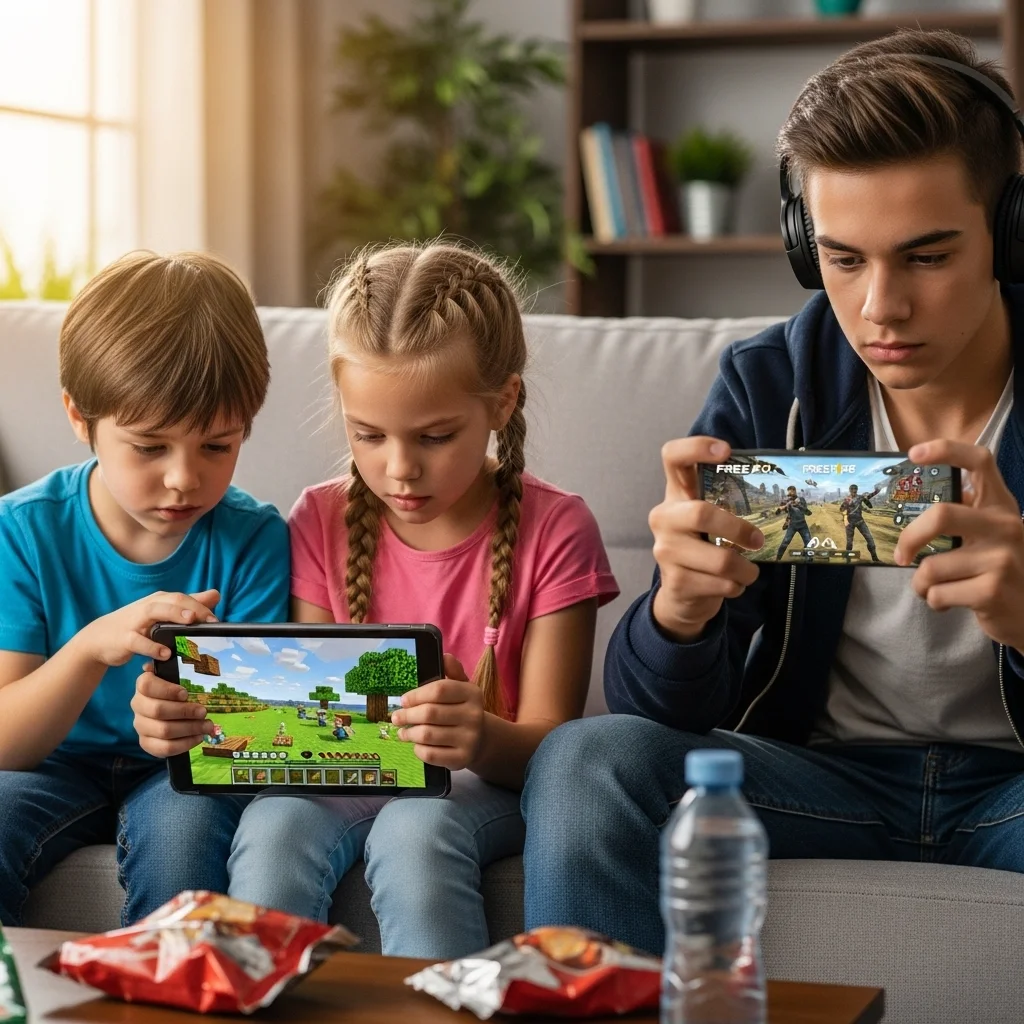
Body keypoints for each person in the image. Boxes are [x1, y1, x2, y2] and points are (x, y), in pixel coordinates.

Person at [521, 28, 1024, 955]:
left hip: (1014, 790)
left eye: (926, 256)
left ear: (1012, 230)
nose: (881, 308)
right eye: (842, 258)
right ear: (803, 246)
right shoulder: (771, 384)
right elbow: (658, 711)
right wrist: (679, 614)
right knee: (587, 760)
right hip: (819, 775)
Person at [135, 241, 619, 956]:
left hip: (487, 786)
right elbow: (300, 715)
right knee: (272, 829)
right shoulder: (319, 518)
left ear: (502, 401)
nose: (399, 468)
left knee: (415, 829)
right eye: (368, 434)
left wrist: (481, 736)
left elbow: (556, 753)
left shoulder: (557, 527)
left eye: (435, 436)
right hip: (347, 776)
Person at [0, 251, 289, 927]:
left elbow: (258, 739)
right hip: (52, 765)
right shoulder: (22, 531)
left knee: (185, 837)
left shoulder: (254, 539)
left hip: (179, 775)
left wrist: (192, 728)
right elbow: (8, 746)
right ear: (80, 417)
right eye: (150, 447)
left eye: (217, 446)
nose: (184, 479)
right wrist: (88, 649)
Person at [839, 483, 882, 561]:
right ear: (850, 490)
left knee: (870, 539)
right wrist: (846, 512)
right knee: (849, 542)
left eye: (855, 489)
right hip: (850, 522)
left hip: (860, 521)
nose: (854, 491)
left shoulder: (860, 497)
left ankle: (874, 558)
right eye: (852, 489)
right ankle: (847, 560)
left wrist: (876, 492)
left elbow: (868, 498)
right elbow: (841, 509)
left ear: (857, 490)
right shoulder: (847, 499)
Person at [774, 484, 813, 560]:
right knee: (785, 542)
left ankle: (809, 560)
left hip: (802, 524)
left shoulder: (801, 499)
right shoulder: (786, 501)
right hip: (792, 525)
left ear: (795, 492)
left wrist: (798, 505)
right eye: (789, 494)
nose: (790, 496)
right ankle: (778, 559)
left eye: (792, 494)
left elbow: (808, 513)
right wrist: (783, 507)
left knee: (808, 543)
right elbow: (777, 513)